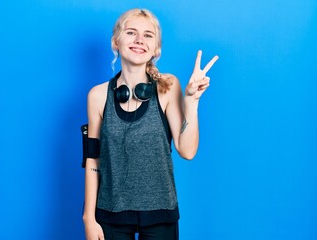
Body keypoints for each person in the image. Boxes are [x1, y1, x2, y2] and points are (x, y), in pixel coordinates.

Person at [82, 8, 218, 240]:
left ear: (156, 49)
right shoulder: (97, 95)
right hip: (110, 214)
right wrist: (89, 217)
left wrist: (192, 101)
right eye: (131, 32)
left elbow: (187, 151)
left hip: (160, 214)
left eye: (148, 35)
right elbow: (93, 158)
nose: (139, 40)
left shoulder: (168, 87)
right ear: (116, 41)